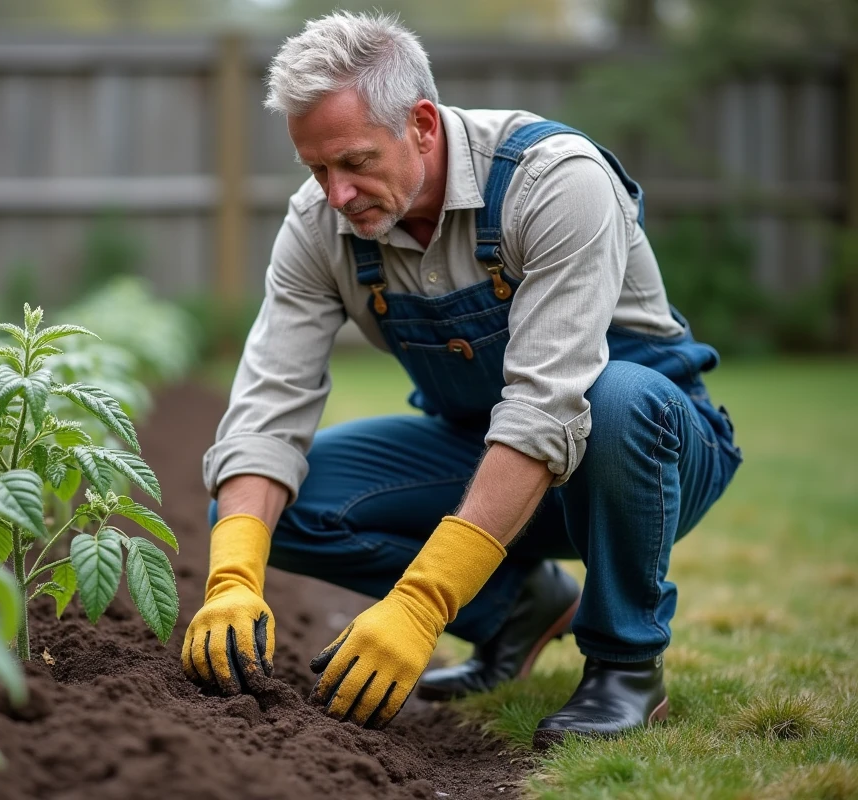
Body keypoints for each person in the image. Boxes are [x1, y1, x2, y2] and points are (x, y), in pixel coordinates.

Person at [180, 11, 741, 748]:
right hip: (479, 455)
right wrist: (231, 580)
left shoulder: (554, 182)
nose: (337, 194)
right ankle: (515, 610)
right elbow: (266, 408)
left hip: (643, 457)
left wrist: (421, 602)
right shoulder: (320, 227)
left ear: (420, 123)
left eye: (354, 162)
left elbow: (547, 409)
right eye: (317, 170)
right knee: (259, 512)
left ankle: (625, 666)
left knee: (615, 399)